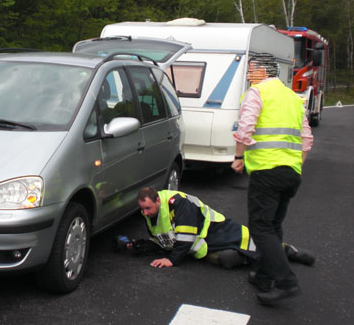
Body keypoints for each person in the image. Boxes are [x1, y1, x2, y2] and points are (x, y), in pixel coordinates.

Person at [232, 53, 314, 305]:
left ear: (262, 71)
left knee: (260, 227)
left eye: (251, 70)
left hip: (267, 170)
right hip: (291, 173)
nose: (248, 75)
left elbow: (244, 129)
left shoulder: (256, 93)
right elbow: (307, 139)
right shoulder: (293, 97)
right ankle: (264, 275)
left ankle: (286, 281)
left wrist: (238, 158)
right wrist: (294, 165)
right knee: (274, 225)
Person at [118, 187, 259, 270]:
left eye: (148, 208)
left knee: (251, 245)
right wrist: (138, 246)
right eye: (142, 209)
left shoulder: (178, 202)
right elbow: (163, 239)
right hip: (202, 244)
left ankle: (275, 252)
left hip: (215, 229)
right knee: (226, 258)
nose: (145, 213)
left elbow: (186, 235)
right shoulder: (151, 212)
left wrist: (172, 260)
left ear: (158, 200)